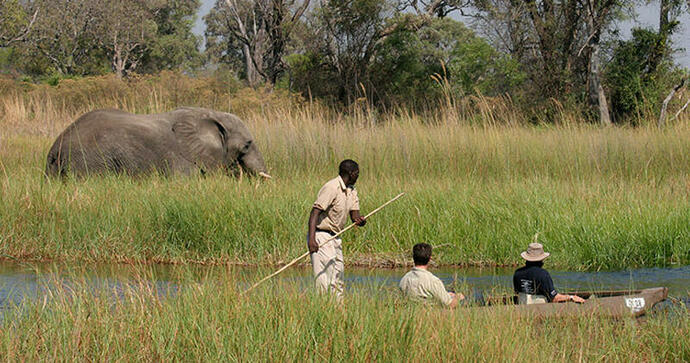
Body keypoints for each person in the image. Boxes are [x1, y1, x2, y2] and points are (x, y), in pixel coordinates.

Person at [307, 159, 366, 301]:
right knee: (325, 279)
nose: (358, 176)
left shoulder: (351, 190)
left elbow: (355, 215)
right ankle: (323, 310)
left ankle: (338, 311)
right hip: (321, 236)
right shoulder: (331, 188)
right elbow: (314, 212)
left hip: (336, 237)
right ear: (350, 173)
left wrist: (360, 221)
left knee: (338, 277)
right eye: (357, 173)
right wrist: (312, 240)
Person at [513, 243, 586, 304]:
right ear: (541, 259)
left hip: (522, 306)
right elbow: (554, 298)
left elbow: (517, 292)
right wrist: (571, 297)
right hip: (540, 308)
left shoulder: (517, 273)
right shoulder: (543, 274)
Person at [399, 243, 464, 308]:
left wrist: (447, 295)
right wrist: (458, 298)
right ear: (430, 259)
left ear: (413, 258)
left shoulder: (404, 279)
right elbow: (449, 305)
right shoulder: (433, 281)